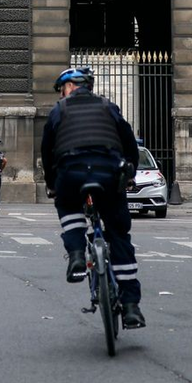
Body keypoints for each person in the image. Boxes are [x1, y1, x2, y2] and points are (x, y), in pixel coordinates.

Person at [40, 66, 146, 330]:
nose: (62, 93)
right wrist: (130, 172)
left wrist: (52, 184)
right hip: (108, 172)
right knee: (119, 234)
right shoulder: (109, 107)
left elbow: (47, 150)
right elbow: (128, 142)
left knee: (67, 205)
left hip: (72, 171)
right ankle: (131, 307)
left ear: (69, 87)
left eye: (62, 89)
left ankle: (77, 255)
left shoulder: (59, 110)